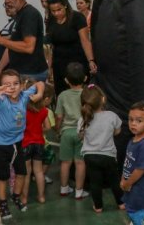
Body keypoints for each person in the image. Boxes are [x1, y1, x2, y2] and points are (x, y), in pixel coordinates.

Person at [0, 70, 45, 220]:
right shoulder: (0, 99)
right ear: (1, 87)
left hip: (17, 143)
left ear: (22, 86)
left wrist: (39, 94)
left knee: (22, 173)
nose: (12, 87)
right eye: (7, 84)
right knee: (3, 176)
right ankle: (3, 204)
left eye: (16, 84)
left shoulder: (24, 97)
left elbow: (40, 83)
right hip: (0, 146)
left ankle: (16, 196)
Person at [79, 84, 123, 212]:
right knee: (114, 181)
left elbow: (81, 135)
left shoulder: (83, 119)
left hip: (90, 156)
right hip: (108, 155)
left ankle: (98, 207)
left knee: (95, 182)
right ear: (103, 99)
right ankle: (121, 203)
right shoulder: (111, 116)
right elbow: (118, 131)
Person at [46, 0, 97, 95]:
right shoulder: (51, 21)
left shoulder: (77, 18)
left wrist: (91, 60)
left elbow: (85, 41)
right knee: (61, 93)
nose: (56, 13)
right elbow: (52, 47)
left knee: (79, 93)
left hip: (76, 62)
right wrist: (49, 67)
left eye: (59, 10)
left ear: (65, 5)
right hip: (59, 63)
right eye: (53, 11)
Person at [56, 62, 90, 199]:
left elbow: (59, 116)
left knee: (65, 162)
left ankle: (64, 188)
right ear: (85, 78)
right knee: (80, 162)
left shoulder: (62, 95)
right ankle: (79, 191)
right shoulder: (88, 94)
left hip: (66, 132)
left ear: (65, 80)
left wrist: (58, 130)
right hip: (83, 132)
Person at [121, 101, 144, 225]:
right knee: (133, 214)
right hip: (132, 191)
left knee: (139, 216)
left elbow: (140, 169)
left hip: (142, 195)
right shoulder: (133, 140)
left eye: (139, 121)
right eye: (131, 120)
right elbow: (127, 163)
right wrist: (123, 179)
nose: (133, 124)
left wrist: (127, 182)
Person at [21, 85, 52, 205]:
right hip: (39, 143)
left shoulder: (23, 110)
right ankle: (41, 196)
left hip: (25, 143)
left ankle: (24, 198)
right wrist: (39, 130)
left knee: (26, 172)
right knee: (39, 172)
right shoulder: (44, 110)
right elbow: (48, 127)